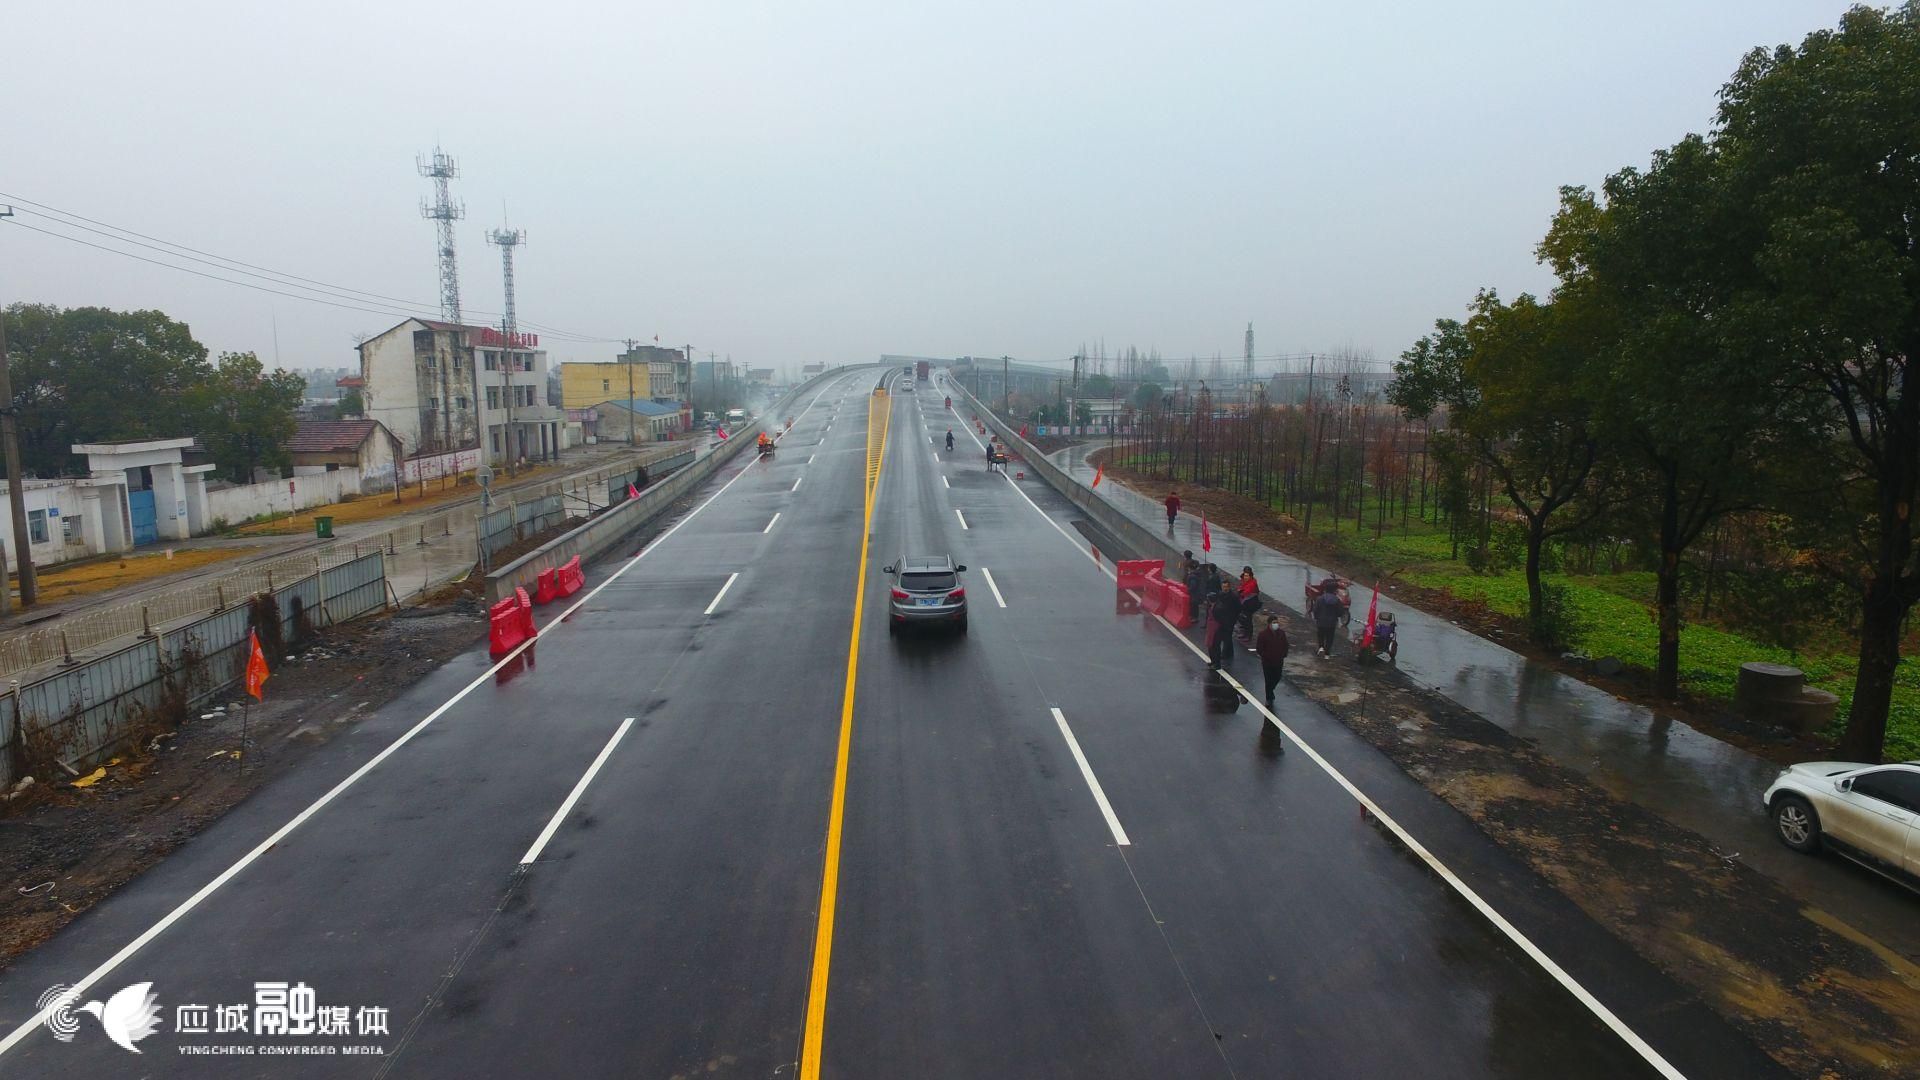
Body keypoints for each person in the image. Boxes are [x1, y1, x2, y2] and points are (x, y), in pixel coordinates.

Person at [1255, 614, 1290, 704]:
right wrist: (1265, 655)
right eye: (1274, 623)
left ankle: (1271, 689)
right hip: (1267, 662)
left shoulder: (1281, 633)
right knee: (1268, 679)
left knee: (1277, 677)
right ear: (1269, 624)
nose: (1276, 624)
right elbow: (1259, 648)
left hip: (1279, 660)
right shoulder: (1263, 635)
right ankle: (1269, 697)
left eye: (1277, 622)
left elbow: (1285, 645)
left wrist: (1284, 654)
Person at [1206, 588, 1240, 670]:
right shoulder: (1214, 606)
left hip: (1217, 630)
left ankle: (1217, 664)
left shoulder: (1218, 608)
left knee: (1215, 647)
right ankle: (1213, 661)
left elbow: (1222, 621)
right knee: (1211, 646)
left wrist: (1222, 630)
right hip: (1212, 629)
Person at [1312, 583, 1345, 658]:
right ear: (1334, 590)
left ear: (1325, 589)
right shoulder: (1337, 600)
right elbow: (1340, 612)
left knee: (1321, 635)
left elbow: (1315, 610)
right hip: (1332, 623)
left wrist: (1316, 618)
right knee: (1329, 637)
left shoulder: (1320, 599)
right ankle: (1327, 654)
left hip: (1321, 621)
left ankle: (1321, 648)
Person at [1236, 566, 1260, 643]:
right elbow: (1241, 587)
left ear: (1250, 576)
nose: (1245, 577)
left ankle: (1248, 635)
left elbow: (1247, 591)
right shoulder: (1244, 580)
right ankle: (1245, 633)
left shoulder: (1253, 583)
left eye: (1247, 576)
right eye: (1245, 575)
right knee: (1243, 618)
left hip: (1250, 603)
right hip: (1244, 602)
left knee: (1248, 619)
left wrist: (1240, 592)